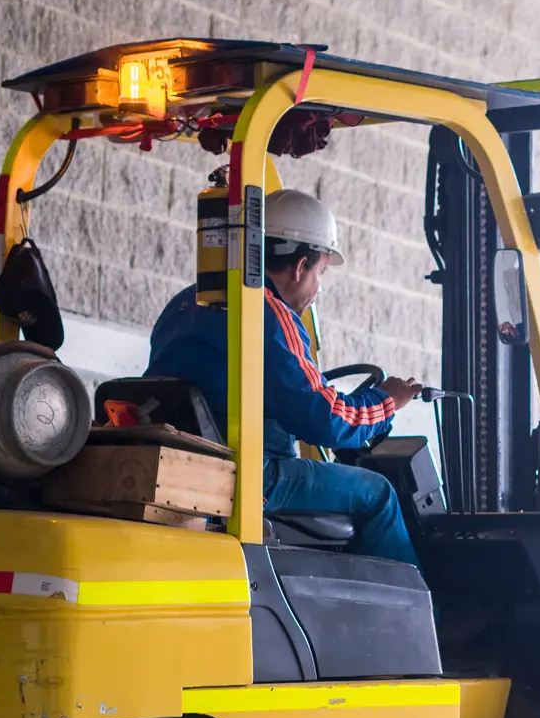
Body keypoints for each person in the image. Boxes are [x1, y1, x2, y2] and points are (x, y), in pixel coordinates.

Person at [147, 188, 422, 565]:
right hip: (250, 476)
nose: (318, 287)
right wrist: (387, 402)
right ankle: (411, 621)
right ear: (299, 266)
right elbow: (325, 419)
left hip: (189, 466)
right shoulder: (267, 312)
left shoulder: (186, 302)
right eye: (321, 272)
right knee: (378, 494)